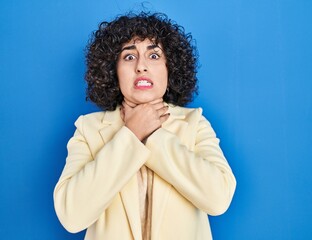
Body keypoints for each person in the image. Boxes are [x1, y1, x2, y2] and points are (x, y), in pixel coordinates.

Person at [53, 11, 236, 240]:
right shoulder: (88, 129)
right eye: (129, 57)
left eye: (154, 56)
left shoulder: (195, 123)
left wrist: (154, 136)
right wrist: (130, 135)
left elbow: (218, 199)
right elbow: (72, 216)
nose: (141, 66)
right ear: (113, 71)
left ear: (170, 68)